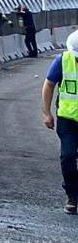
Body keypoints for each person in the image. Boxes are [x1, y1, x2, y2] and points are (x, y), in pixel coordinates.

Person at [41, 31, 78, 214]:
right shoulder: (62, 60)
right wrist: (47, 113)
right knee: (68, 158)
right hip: (68, 120)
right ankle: (72, 196)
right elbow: (49, 84)